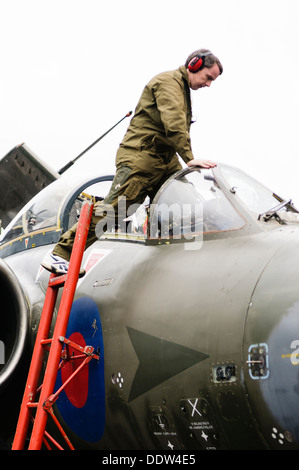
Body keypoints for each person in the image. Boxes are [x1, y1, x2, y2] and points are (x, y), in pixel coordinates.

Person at [42, 48, 223, 275]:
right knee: (114, 211)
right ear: (194, 65)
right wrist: (190, 158)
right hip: (142, 158)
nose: (208, 84)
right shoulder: (168, 83)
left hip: (164, 161)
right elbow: (174, 123)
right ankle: (60, 253)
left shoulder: (182, 89)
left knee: (187, 203)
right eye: (208, 78)